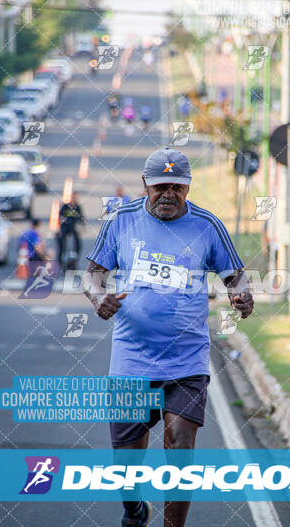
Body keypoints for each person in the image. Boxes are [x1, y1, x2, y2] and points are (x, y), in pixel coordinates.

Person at [83, 148, 254, 527]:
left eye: (178, 187)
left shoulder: (207, 225)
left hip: (186, 358)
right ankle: (134, 509)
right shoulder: (121, 221)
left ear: (188, 188)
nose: (168, 194)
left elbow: (235, 275)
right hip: (132, 357)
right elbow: (92, 272)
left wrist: (240, 293)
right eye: (161, 186)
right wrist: (99, 297)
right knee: (126, 463)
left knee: (179, 445)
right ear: (145, 185)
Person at [58, 192, 85, 267]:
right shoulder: (65, 207)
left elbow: (81, 218)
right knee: (61, 244)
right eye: (73, 198)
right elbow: (60, 216)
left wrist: (82, 224)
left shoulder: (78, 207)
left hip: (73, 228)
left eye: (75, 198)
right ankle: (61, 262)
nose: (74, 199)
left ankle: (74, 261)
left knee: (78, 244)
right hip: (65, 228)